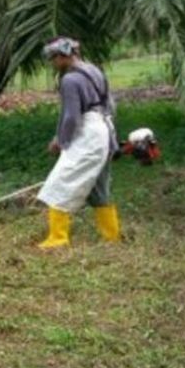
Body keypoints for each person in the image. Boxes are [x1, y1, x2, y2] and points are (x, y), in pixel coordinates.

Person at [36, 36, 121, 249]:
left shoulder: (70, 80)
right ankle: (111, 237)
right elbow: (109, 104)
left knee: (60, 183)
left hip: (88, 133)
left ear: (63, 56)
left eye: (53, 59)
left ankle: (58, 238)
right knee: (99, 185)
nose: (53, 64)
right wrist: (109, 137)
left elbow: (71, 117)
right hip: (103, 129)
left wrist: (60, 141)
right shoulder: (94, 70)